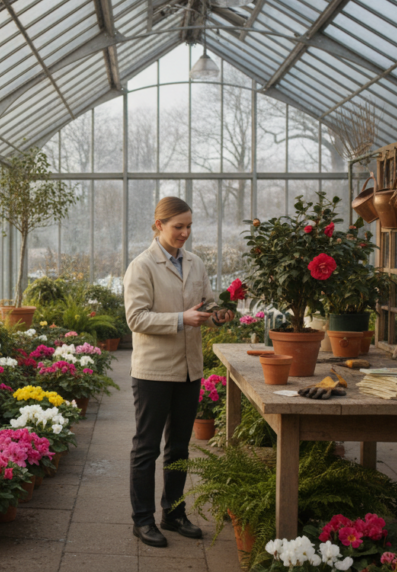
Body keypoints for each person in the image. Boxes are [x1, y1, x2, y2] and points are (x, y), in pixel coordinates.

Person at [122, 196, 234, 548]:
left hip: (189, 370)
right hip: (154, 371)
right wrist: (181, 319)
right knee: (146, 448)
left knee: (180, 448)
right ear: (159, 226)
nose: (185, 232)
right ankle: (142, 520)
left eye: (188, 226)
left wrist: (219, 313)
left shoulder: (196, 264)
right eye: (178, 226)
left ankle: (173, 512)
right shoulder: (141, 267)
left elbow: (208, 301)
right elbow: (136, 318)